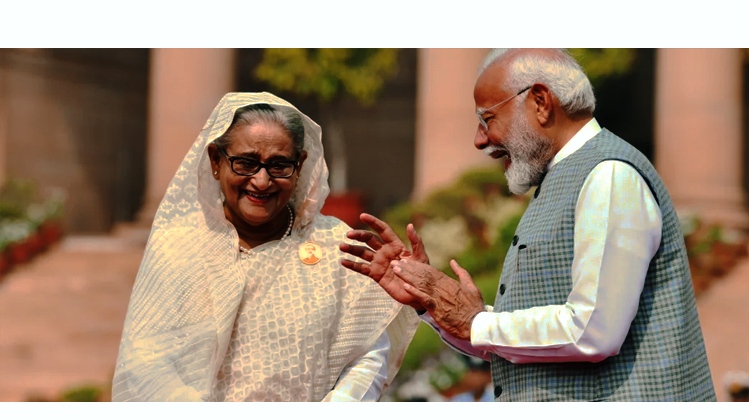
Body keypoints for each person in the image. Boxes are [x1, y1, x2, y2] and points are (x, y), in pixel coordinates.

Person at [340, 48, 717, 401]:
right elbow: (529, 343)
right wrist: (431, 300)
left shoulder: (608, 176)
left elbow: (593, 330)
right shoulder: (566, 177)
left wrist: (475, 322)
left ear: (540, 102)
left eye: (487, 119)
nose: (480, 140)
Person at [112, 92, 418, 401]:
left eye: (279, 165)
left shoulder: (335, 244)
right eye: (246, 163)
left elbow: (368, 355)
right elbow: (147, 361)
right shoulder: (180, 245)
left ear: (299, 166)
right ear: (216, 161)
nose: (261, 181)